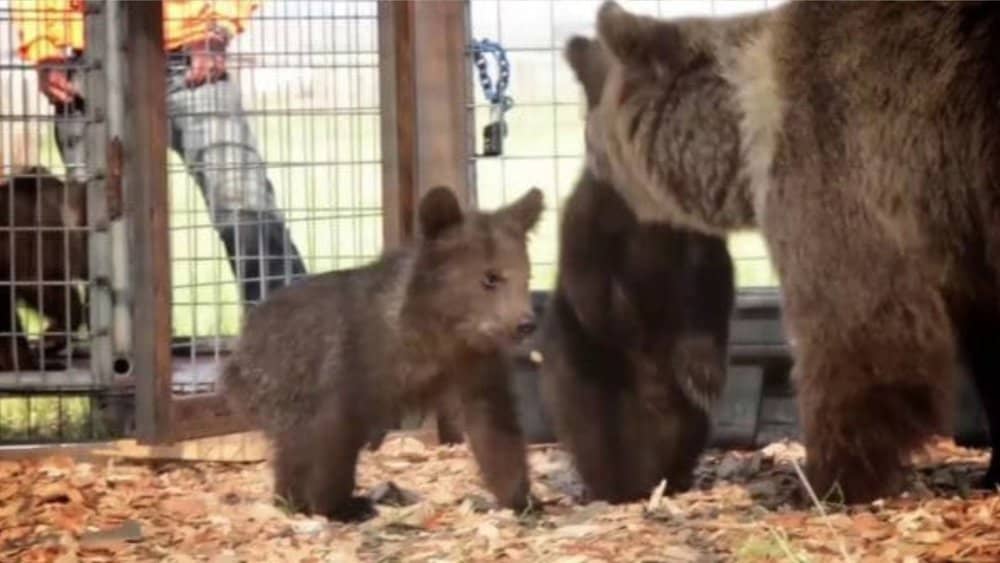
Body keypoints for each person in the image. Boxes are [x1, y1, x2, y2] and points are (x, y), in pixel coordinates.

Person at [12, 0, 308, 308]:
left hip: (191, 60)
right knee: (102, 222)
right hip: (88, 65)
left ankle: (290, 334)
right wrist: (44, 51)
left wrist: (217, 29)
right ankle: (125, 346)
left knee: (242, 200)